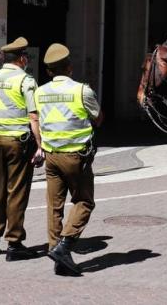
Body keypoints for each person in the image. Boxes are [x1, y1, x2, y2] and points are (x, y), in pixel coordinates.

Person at [35, 43, 104, 276]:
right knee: (84, 202)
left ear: (49, 71)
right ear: (70, 68)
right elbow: (98, 118)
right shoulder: (81, 91)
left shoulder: (40, 92)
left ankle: (56, 255)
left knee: (54, 207)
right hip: (76, 157)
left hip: (51, 157)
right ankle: (64, 247)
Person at [0, 36, 44, 261]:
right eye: (25, 56)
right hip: (18, 141)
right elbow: (33, 116)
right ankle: (14, 243)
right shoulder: (25, 80)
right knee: (16, 192)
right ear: (21, 58)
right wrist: (41, 145)